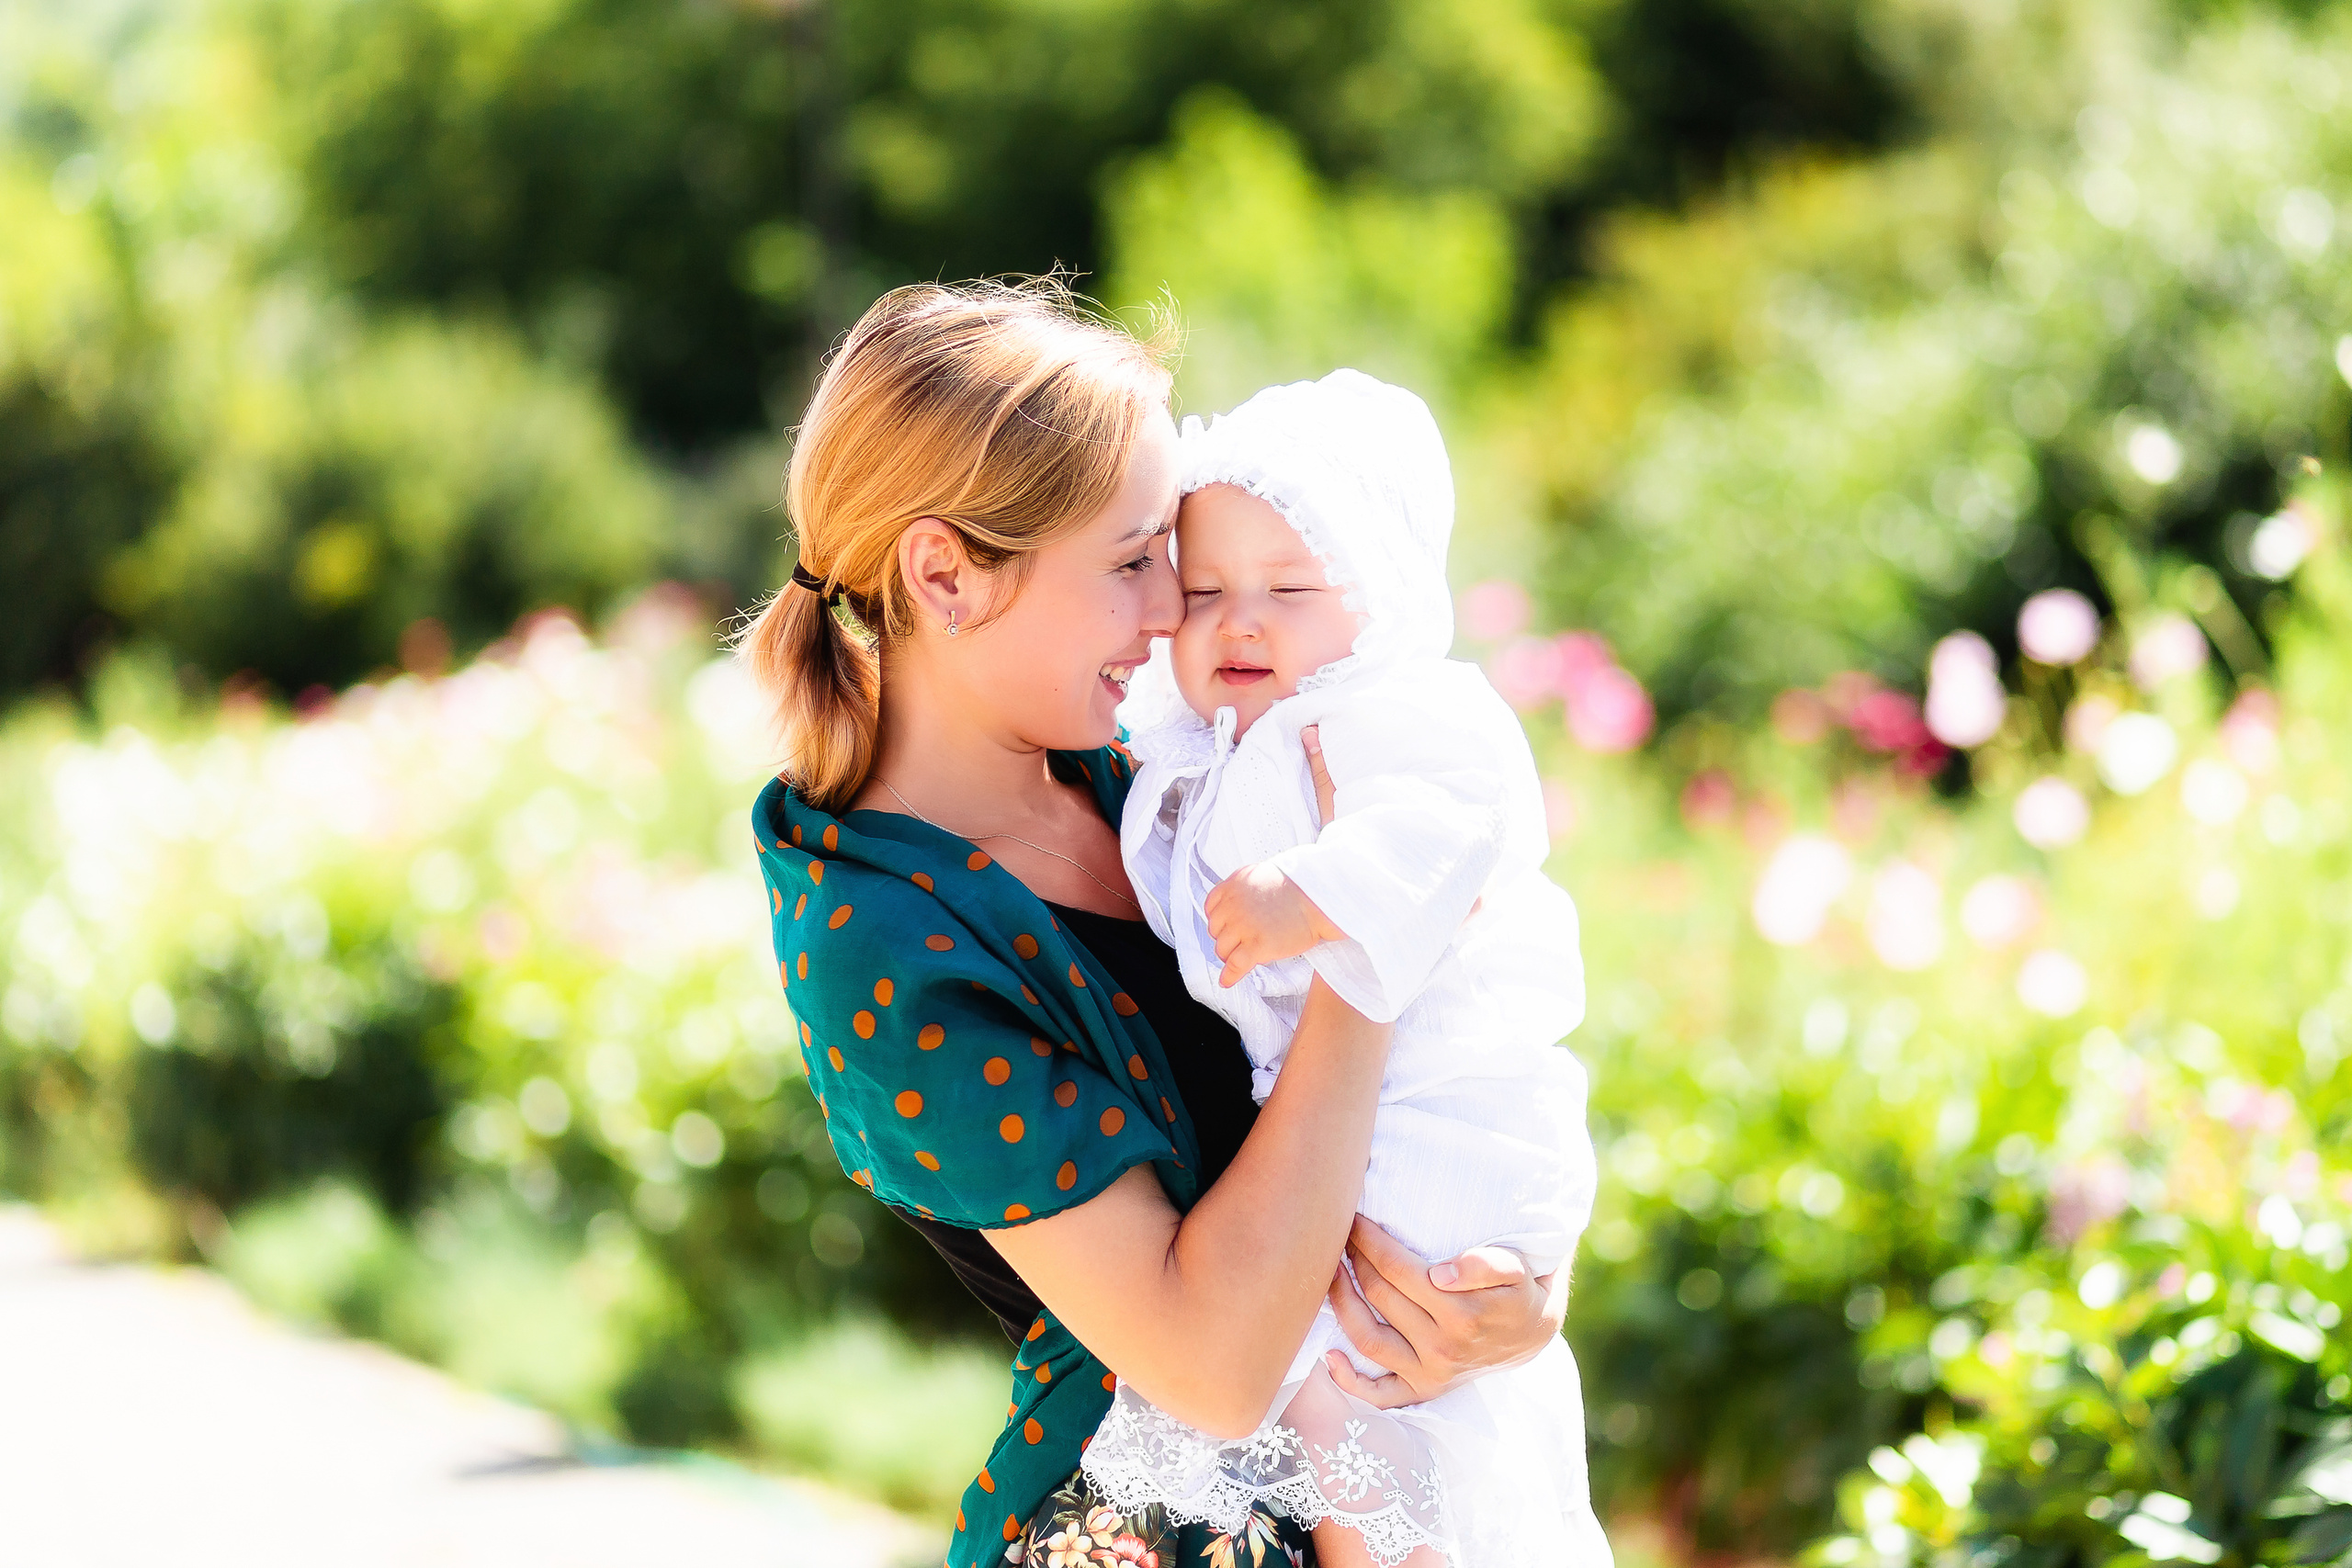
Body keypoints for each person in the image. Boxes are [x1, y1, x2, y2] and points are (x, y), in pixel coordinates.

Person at [738, 279, 1569, 1568]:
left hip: (1377, 1457)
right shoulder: (881, 944)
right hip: (1156, 1527)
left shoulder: (1150, 768)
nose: (1173, 607)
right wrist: (1361, 942)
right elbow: (1217, 1370)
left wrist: (1511, 1293)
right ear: (947, 574)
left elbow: (1467, 1047)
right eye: (1131, 560)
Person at [1080, 371, 1607, 1568]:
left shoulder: (1398, 710)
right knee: (1353, 1408)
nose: (1240, 622)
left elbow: (1447, 833)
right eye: (1204, 591)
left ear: (1384, 596)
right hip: (1344, 1130)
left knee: (1386, 1380)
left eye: (1290, 590)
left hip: (1440, 1114)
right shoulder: (1216, 744)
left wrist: (1305, 894)